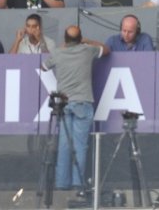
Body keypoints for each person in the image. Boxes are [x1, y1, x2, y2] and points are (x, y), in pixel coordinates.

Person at [42, 26, 109, 197]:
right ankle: (77, 184)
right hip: (82, 102)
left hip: (64, 104)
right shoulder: (88, 50)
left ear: (65, 39)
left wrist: (62, 48)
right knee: (80, 145)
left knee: (64, 144)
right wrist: (88, 41)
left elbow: (43, 67)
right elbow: (106, 50)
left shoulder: (58, 52)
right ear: (80, 38)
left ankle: (61, 183)